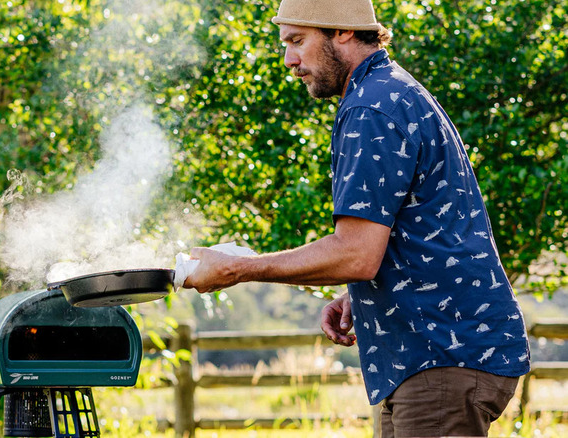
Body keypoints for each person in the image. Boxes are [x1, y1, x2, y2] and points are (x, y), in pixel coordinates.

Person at [183, 0, 531, 436]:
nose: (288, 60)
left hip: (440, 355)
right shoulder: (393, 91)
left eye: (296, 41)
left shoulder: (371, 108)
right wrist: (366, 295)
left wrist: (239, 268)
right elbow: (421, 225)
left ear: (342, 31)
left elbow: (356, 255)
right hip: (434, 356)